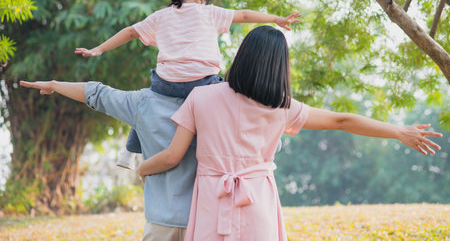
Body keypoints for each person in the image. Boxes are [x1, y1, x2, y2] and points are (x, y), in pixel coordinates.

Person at [21, 26, 442, 240]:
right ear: (281, 68)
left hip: (211, 207)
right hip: (257, 205)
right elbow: (342, 121)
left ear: (240, 58)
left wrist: (141, 170)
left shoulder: (202, 100)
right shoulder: (281, 109)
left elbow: (170, 157)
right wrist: (398, 131)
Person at [75, 0, 300, 170]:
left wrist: (99, 48)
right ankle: (266, 134)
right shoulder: (210, 13)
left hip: (166, 85)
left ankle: (130, 152)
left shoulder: (160, 16)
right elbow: (243, 15)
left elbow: (130, 32)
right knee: (234, 95)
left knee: (146, 102)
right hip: (203, 84)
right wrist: (276, 19)